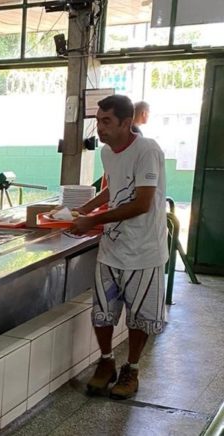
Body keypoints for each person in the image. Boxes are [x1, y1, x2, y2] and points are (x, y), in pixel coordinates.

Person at [71, 94, 168, 400]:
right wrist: (85, 210)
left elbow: (142, 202)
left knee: (139, 316)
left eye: (106, 121)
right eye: (98, 121)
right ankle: (106, 362)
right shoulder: (108, 152)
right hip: (113, 248)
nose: (100, 128)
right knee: (103, 312)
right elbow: (114, 186)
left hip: (144, 250)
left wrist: (93, 219)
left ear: (127, 123)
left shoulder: (147, 150)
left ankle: (132, 368)